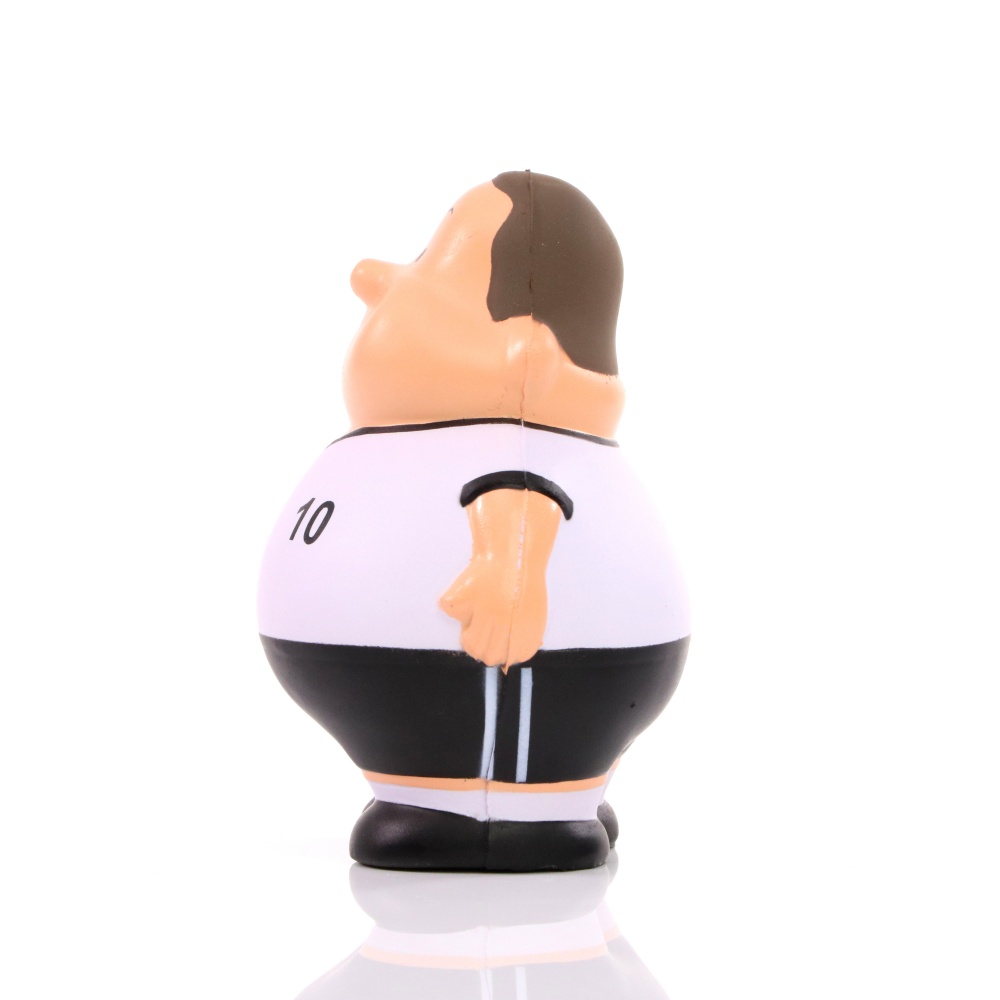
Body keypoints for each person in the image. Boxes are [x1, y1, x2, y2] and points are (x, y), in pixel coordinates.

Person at [258, 171, 690, 870]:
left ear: (522, 346)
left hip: (501, 676)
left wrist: (509, 573)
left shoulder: (517, 452)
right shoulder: (465, 436)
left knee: (508, 718)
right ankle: (545, 797)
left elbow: (520, 504)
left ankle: (502, 809)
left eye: (429, 262)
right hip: (451, 681)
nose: (372, 275)